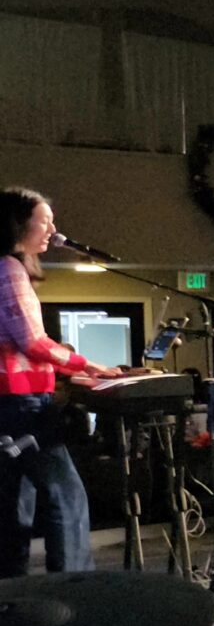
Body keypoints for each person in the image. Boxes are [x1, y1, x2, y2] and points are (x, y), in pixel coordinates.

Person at [0, 186, 118, 577]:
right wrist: (88, 365)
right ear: (18, 223)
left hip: (10, 405)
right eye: (45, 220)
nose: (52, 228)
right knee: (66, 498)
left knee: (16, 503)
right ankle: (72, 590)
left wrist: (76, 370)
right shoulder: (9, 268)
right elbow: (31, 340)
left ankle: (12, 597)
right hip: (22, 405)